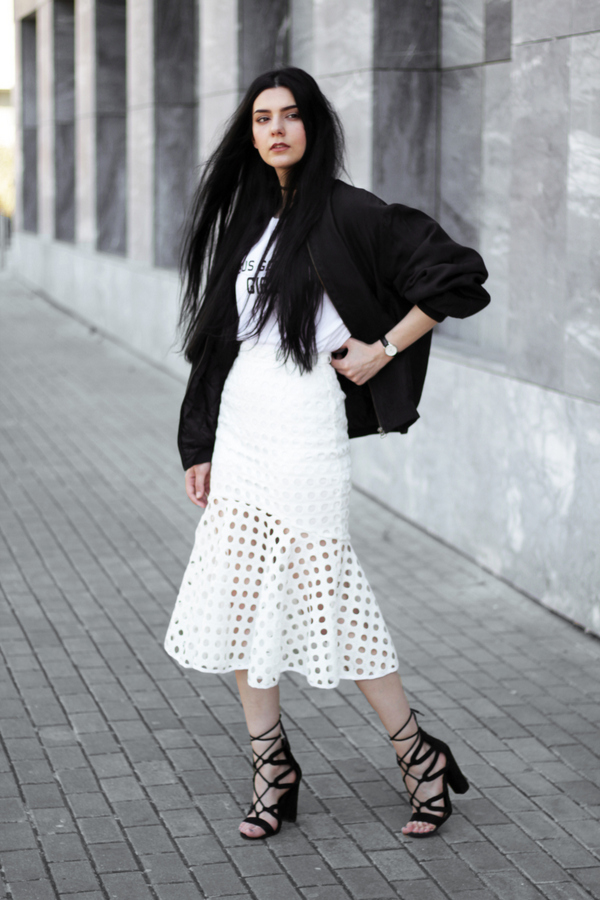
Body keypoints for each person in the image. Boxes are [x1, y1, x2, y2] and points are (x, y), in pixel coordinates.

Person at [164, 67, 489, 841]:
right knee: (239, 596)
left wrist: (384, 348)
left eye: (290, 115)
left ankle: (417, 753)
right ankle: (272, 768)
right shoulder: (247, 219)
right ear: (251, 134)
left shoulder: (350, 212)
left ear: (313, 126)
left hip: (306, 425)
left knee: (331, 593)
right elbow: (219, 346)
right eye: (262, 118)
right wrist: (198, 443)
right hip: (243, 427)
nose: (276, 129)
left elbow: (459, 276)